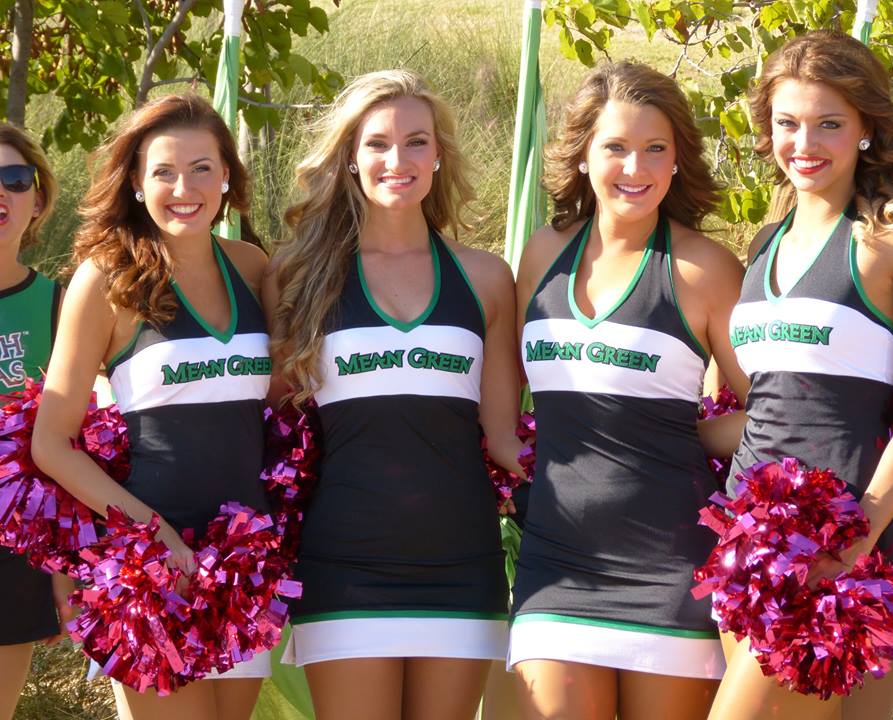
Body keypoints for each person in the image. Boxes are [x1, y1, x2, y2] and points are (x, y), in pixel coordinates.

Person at [708, 30, 893, 720]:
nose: (804, 144)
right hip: (746, 542)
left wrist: (857, 536)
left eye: (828, 124)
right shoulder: (765, 241)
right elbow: (770, 407)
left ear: (867, 129)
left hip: (840, 542)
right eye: (787, 123)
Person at [264, 68, 522, 720]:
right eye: (377, 143)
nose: (397, 159)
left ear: (439, 155)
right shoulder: (299, 279)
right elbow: (266, 425)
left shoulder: (487, 279)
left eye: (415, 141)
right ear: (350, 157)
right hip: (343, 566)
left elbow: (504, 439)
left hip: (462, 564)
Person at [509, 61, 748, 720]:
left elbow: (771, 412)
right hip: (554, 566)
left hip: (670, 569)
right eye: (615, 146)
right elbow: (504, 382)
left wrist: (688, 435)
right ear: (584, 155)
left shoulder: (705, 269)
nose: (634, 167)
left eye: (655, 149)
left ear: (677, 162)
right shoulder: (543, 253)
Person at [32, 94, 273, 720]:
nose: (183, 187)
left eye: (201, 168)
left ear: (227, 176)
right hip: (147, 570)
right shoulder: (106, 280)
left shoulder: (255, 270)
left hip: (244, 565)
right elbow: (51, 443)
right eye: (163, 171)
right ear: (136, 185)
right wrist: (155, 535)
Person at [0, 123, 75, 720]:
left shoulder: (61, 306)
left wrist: (60, 573)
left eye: (14, 178)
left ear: (38, 199)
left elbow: (69, 445)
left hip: (15, 549)